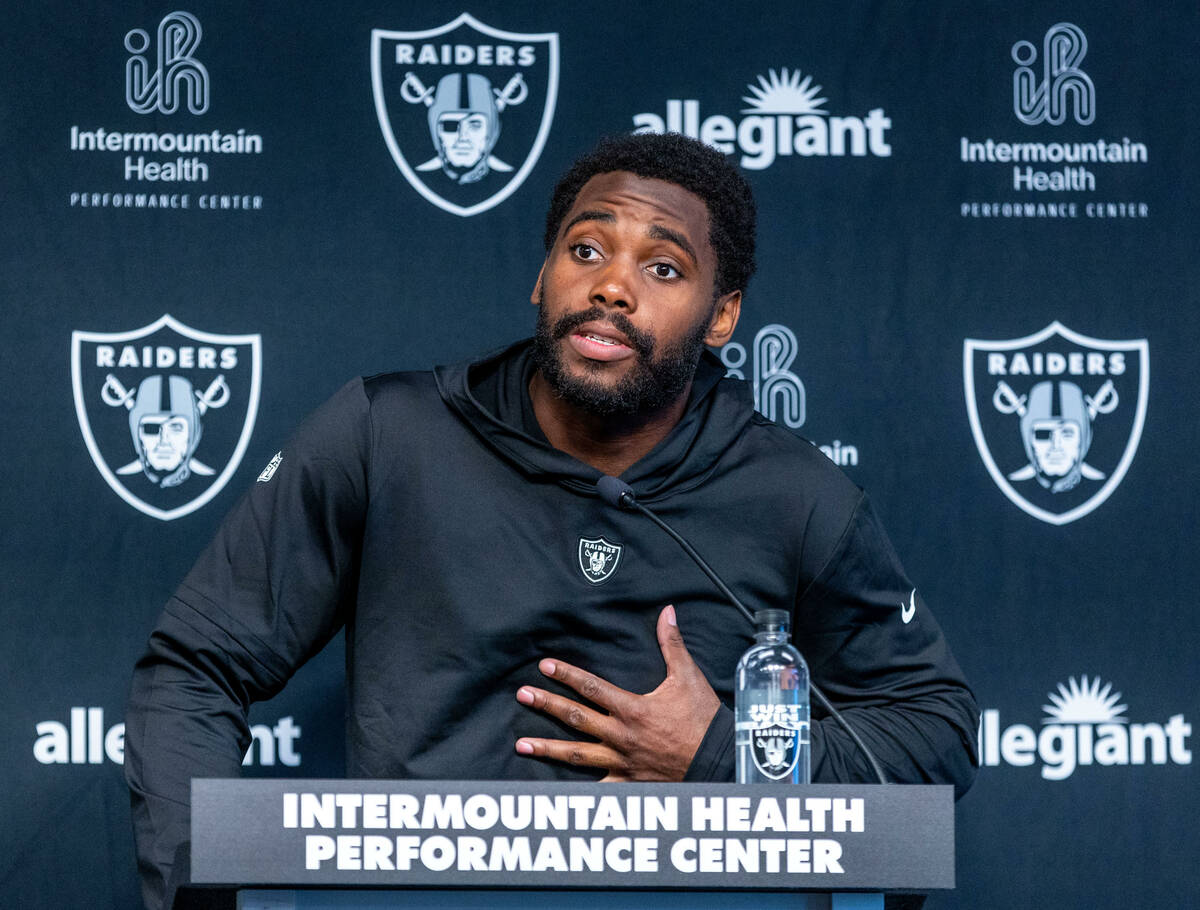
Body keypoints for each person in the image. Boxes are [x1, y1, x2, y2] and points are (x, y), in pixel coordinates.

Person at [125, 132, 979, 909]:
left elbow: (933, 733)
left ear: (722, 316)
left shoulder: (793, 494)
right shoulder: (386, 436)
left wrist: (725, 759)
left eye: (664, 269)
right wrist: (202, 896)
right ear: (543, 275)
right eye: (586, 250)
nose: (611, 286)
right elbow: (196, 668)